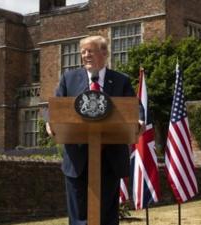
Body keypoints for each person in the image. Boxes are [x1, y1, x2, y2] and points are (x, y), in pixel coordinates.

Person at [46, 35, 142, 225]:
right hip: (77, 159)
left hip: (110, 159)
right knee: (79, 217)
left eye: (90, 51)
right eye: (83, 52)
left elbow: (135, 108)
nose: (85, 55)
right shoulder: (69, 79)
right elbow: (54, 108)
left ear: (104, 52)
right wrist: (50, 122)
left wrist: (139, 120)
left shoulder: (121, 81)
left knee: (106, 216)